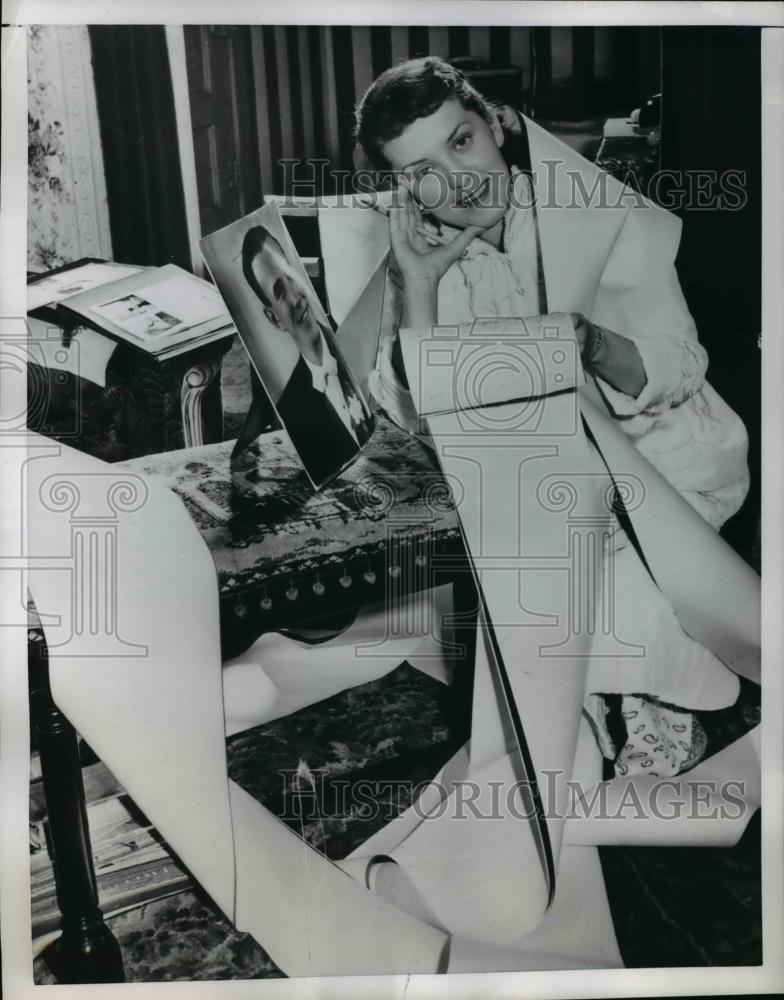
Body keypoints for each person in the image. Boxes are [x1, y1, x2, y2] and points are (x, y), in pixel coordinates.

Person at [353, 56, 754, 778]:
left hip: (662, 461)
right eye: (421, 171)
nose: (458, 179)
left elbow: (682, 362)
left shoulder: (592, 212)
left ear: (499, 124)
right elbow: (419, 413)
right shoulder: (426, 253)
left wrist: (594, 344)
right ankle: (586, 692)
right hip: (546, 480)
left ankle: (653, 700)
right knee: (530, 557)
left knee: (620, 568)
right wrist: (419, 284)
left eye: (462, 141)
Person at [241, 224, 373, 487]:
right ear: (274, 318)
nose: (296, 297)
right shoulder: (291, 406)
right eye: (279, 293)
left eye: (290, 277)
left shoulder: (353, 331)